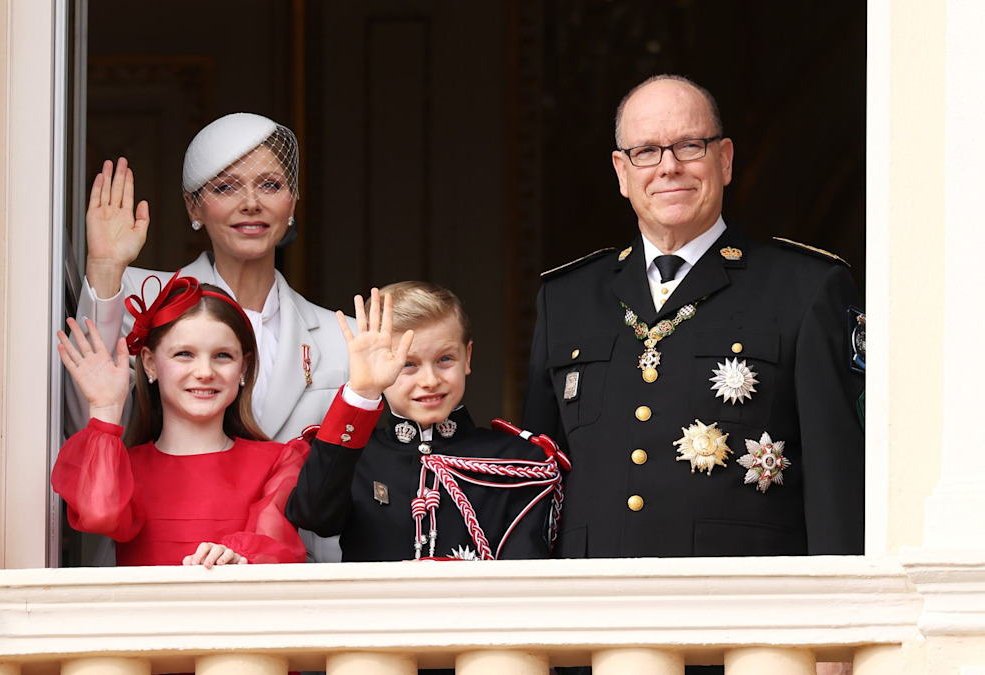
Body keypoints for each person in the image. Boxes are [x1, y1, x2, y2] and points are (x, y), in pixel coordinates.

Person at [522, 74, 866, 561]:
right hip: (592, 609)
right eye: (646, 151)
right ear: (622, 172)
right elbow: (536, 481)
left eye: (689, 146)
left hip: (742, 609)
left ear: (724, 160)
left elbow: (839, 484)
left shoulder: (805, 288)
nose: (668, 168)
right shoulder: (566, 299)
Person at [68, 112, 352, 561]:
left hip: (296, 580)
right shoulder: (138, 300)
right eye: (225, 187)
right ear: (193, 207)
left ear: (293, 200)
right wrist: (105, 270)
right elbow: (82, 420)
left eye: (272, 185)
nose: (251, 203)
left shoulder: (346, 338)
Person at [52, 274, 411, 567]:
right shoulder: (125, 466)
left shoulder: (278, 460)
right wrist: (104, 409)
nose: (204, 372)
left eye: (222, 356)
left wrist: (239, 555)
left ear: (244, 368)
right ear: (148, 364)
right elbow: (99, 515)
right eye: (184, 354)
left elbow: (279, 546)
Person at [287, 282, 568, 563]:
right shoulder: (354, 459)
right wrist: (362, 392)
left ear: (467, 357)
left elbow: (525, 579)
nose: (430, 381)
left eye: (445, 359)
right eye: (408, 364)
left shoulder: (520, 460)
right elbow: (313, 515)